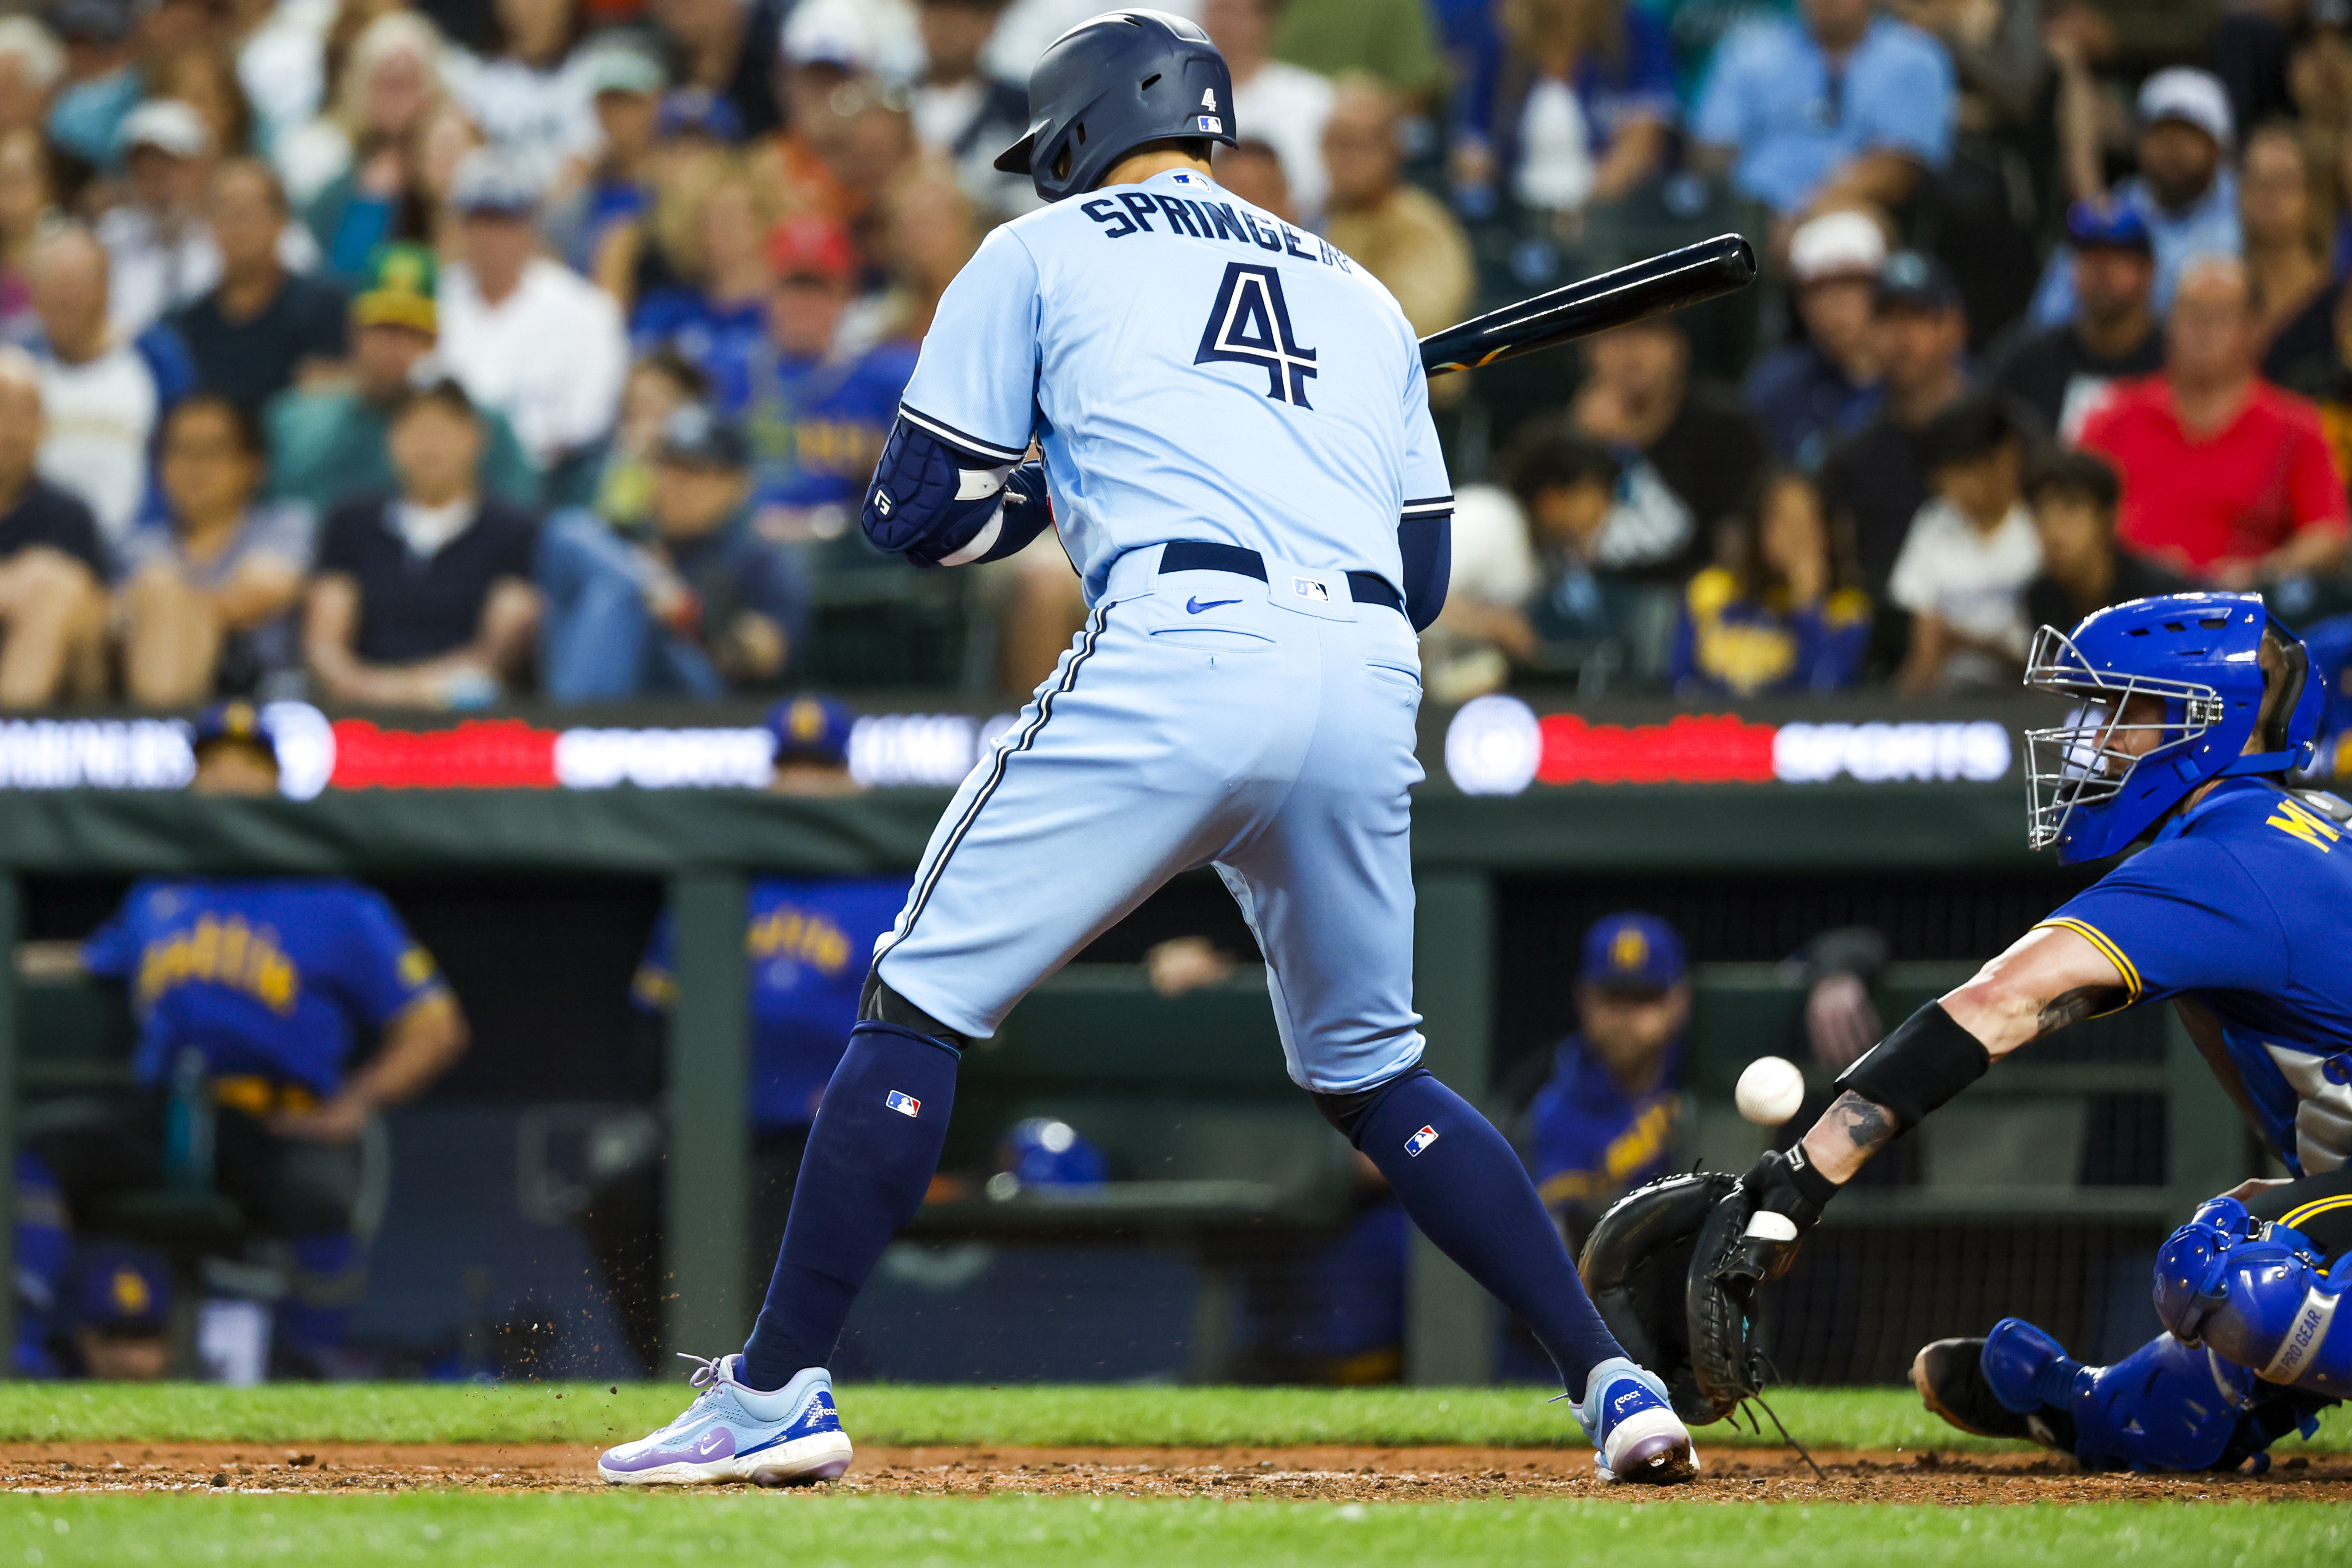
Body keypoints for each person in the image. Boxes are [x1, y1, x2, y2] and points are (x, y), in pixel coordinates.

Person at [600, 10, 1696, 1490]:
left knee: (916, 992)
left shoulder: (1040, 251)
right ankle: (1613, 1377)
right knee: (1376, 1073)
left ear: (1076, 130)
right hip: (1368, 669)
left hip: (1181, 643)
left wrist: (1059, 472)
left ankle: (778, 1384)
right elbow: (1425, 580)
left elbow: (909, 513)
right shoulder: (1359, 293)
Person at [1676, 593, 2352, 1474]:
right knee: (2159, 1413)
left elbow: (1999, 1001)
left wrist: (1797, 1181)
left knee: (2231, 1270)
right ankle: (2078, 1404)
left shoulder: (2224, 854)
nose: (2093, 737)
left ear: (2206, 719)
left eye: (2123, 709)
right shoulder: (2306, 821)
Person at [31, 701, 468, 1377]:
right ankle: (20, 1350)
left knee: (320, 1200)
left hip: (278, 1116)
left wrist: (355, 1101)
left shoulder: (336, 900)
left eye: (248, 770)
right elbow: (84, 960)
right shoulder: (158, 893)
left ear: (275, 788)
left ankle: (306, 1371)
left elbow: (435, 1025)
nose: (229, 785)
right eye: (212, 770)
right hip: (164, 1115)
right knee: (33, 1157)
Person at [580, 694, 910, 1373]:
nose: (802, 784)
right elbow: (655, 1017)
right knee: (617, 1194)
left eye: (821, 767)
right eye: (788, 766)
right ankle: (681, 1371)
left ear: (855, 782)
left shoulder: (893, 882)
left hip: (830, 1128)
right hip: (718, 1127)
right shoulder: (729, 874)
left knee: (772, 1223)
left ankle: (787, 1381)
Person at [2077, 257, 2349, 590]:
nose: (2202, 330)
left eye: (2220, 317)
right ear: (2169, 324)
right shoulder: (2115, 413)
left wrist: (2260, 574)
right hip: (2124, 605)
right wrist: (2134, 566)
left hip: (2242, 616)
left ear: (2254, 330)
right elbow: (2070, 511)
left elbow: (2329, 535)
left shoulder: (2298, 427)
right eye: (2191, 314)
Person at [537, 403, 805, 699]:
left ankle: (576, 728)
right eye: (667, 466)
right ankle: (661, 589)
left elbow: (767, 654)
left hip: (699, 706)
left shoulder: (754, 559)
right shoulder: (625, 545)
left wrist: (700, 621)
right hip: (618, 686)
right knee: (573, 542)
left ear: (736, 485)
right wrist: (657, 586)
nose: (675, 484)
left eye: (694, 471)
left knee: (621, 595)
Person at [304, 378, 542, 708]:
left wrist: (411, 689)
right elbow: (325, 639)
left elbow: (498, 649)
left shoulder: (514, 529)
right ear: (391, 440)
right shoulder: (352, 521)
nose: (428, 447)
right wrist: (361, 685)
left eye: (441, 433)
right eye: (414, 432)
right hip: (359, 708)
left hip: (465, 712)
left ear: (477, 438)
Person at [266, 243, 539, 515]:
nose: (393, 346)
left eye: (411, 332)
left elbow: (521, 521)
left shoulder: (481, 425)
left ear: (433, 341)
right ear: (353, 331)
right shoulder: (294, 420)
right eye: (381, 328)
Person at [434, 150, 627, 489]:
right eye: (480, 220)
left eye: (504, 221)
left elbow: (587, 424)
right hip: (438, 479)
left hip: (546, 485)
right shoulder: (432, 298)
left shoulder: (587, 312)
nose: (490, 236)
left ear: (531, 224)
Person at [116, 392, 312, 705]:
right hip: (142, 682)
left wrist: (164, 608)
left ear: (254, 465)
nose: (196, 467)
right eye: (182, 451)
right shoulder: (138, 543)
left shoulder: (285, 526)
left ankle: (162, 734)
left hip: (259, 698)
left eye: (214, 452)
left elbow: (258, 595)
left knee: (160, 592)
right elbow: (112, 624)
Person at [1689, 0, 1955, 223]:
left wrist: (1806, 213)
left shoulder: (1915, 57)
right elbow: (1712, 149)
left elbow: (1899, 168)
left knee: (1838, 246)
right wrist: (1737, 211)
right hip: (1754, 213)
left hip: (1852, 209)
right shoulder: (1749, 52)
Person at [740, 217, 918, 542]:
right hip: (745, 548)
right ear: (769, 295)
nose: (803, 306)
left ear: (844, 298)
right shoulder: (731, 370)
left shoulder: (888, 376)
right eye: (792, 291)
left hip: (849, 549)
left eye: (818, 292)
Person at [1520, 914, 1690, 1251]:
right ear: (1583, 999)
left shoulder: (1704, 1080)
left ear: (1679, 1001)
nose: (1626, 1016)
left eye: (1645, 997)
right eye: (1613, 996)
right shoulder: (1550, 1102)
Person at [2028, 68, 2242, 330]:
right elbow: (2048, 318)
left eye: (2187, 137)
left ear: (2218, 146)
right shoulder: (2110, 213)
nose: (2171, 150)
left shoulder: (2246, 212)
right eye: (2160, 135)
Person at [1565, 312, 1769, 585]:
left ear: (1678, 347)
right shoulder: (1572, 439)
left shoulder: (1725, 428)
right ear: (1587, 354)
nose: (1629, 352)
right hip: (1599, 613)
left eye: (1646, 333)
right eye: (1613, 336)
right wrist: (1589, 444)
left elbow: (1744, 547)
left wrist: (1632, 444)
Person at [1819, 250, 1974, 593]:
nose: (1902, 336)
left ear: (1955, 329)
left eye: (1918, 316)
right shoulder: (1850, 462)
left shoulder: (2001, 442)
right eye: (1887, 318)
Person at [26, 223, 176, 549]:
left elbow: (185, 452)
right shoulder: (16, 368)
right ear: (34, 292)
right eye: (53, 282)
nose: (65, 296)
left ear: (107, 288)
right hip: (31, 548)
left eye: (76, 283)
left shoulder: (157, 358)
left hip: (141, 545)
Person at [1889, 392, 2040, 694]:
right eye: (1943, 480)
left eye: (1961, 475)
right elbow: (1924, 651)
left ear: (2005, 459)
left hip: (2031, 699)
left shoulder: (2041, 521)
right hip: (1951, 700)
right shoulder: (1933, 524)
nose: (1950, 491)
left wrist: (1972, 645)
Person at [1672, 468, 1870, 697]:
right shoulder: (1711, 590)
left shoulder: (1846, 609)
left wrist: (1808, 605)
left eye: (1808, 521)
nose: (1797, 535)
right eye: (1784, 519)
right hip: (1719, 727)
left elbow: (1828, 688)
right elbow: (1681, 684)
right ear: (1758, 527)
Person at [168, 158, 347, 411]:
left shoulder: (327, 309)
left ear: (282, 219)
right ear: (208, 223)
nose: (239, 224)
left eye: (250, 210)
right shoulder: (185, 324)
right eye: (226, 210)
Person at [1473, 0, 1675, 224]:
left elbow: (1637, 147)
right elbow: (1474, 149)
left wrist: (1580, 212)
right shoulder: (1502, 41)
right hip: (1517, 213)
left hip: (1611, 215)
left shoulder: (1636, 34)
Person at [1990, 201, 2162, 442]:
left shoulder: (2176, 359)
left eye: (2117, 259)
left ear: (2148, 271)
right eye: (2091, 258)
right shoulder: (2030, 359)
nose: (2103, 272)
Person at [1318, 76, 1472, 339]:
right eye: (1337, 143)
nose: (1346, 159)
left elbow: (1417, 327)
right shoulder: (1317, 216)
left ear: (1393, 149)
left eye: (1360, 145)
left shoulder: (1419, 227)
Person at [0, 347, 109, 708]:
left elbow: (94, 613)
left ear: (43, 426)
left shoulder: (68, 513)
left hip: (64, 684)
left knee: (56, 588)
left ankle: (12, 739)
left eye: (22, 415)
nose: (8, 431)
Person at [1744, 209, 1887, 472]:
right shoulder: (1774, 388)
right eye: (1817, 291)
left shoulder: (1922, 374)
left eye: (1850, 285)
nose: (1834, 305)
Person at [2020, 448, 2188, 636]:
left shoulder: (2161, 598)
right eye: (2041, 513)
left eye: (2070, 507)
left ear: (2107, 517)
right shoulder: (2040, 597)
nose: (2053, 528)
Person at [1201, 0, 1333, 221]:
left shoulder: (1315, 100)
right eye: (1215, 11)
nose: (1222, 24)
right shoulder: (1169, 97)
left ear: (1267, 20)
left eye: (1232, 12)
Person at [907, 0, 1032, 217]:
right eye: (938, 14)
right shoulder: (889, 106)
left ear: (989, 25)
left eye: (963, 16)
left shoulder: (1024, 111)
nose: (948, 29)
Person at [2240, 121, 2337, 386]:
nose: (2269, 196)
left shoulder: (2340, 298)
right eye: (2257, 182)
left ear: (2313, 196)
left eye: (2284, 182)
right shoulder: (2221, 291)